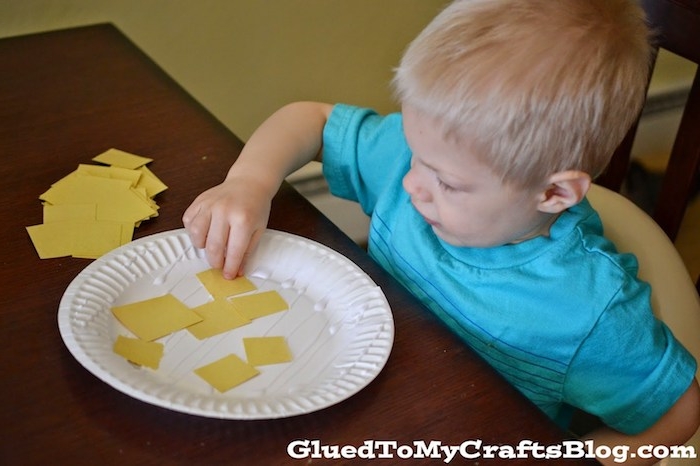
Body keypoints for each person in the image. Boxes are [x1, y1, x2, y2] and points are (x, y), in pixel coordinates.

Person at [183, 0, 700, 463]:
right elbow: (311, 119)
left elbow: (678, 413)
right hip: (351, 397)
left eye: (447, 183)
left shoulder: (591, 314)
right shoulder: (423, 164)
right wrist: (249, 182)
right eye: (414, 151)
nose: (409, 183)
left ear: (554, 195)